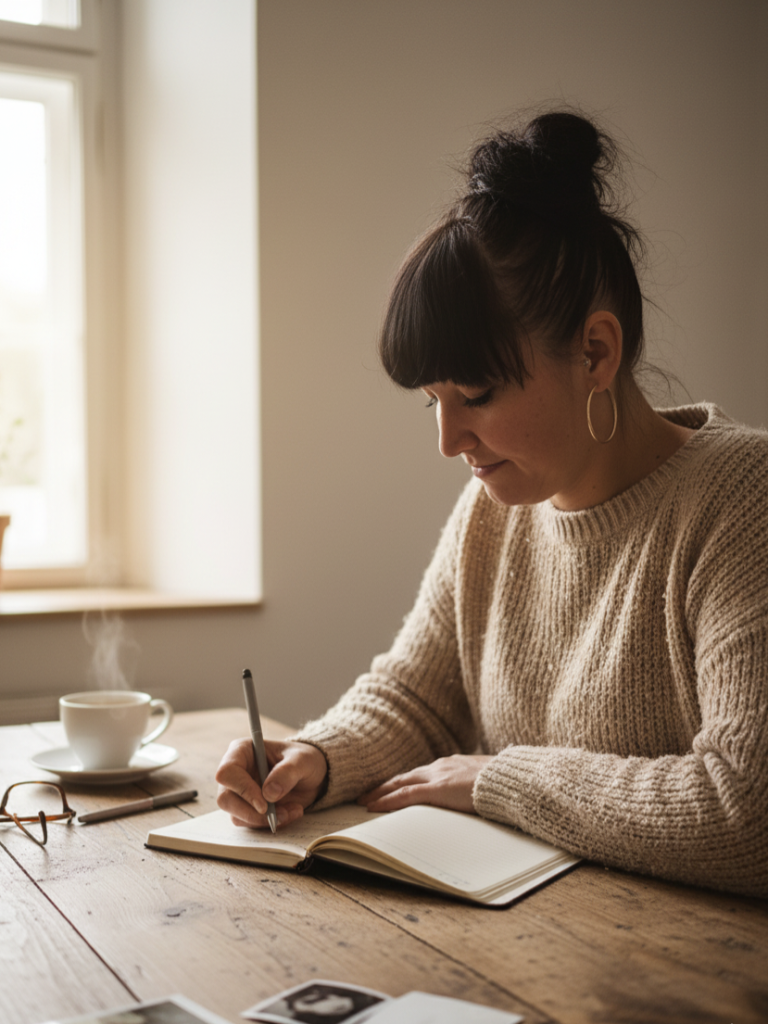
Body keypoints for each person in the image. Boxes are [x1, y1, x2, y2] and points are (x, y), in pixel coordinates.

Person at [216, 110, 768, 898]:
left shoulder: (746, 503)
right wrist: (319, 756)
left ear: (596, 352)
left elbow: (748, 812)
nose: (449, 441)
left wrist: (500, 781)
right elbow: (419, 694)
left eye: (474, 393)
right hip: (527, 943)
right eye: (430, 402)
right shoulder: (495, 510)